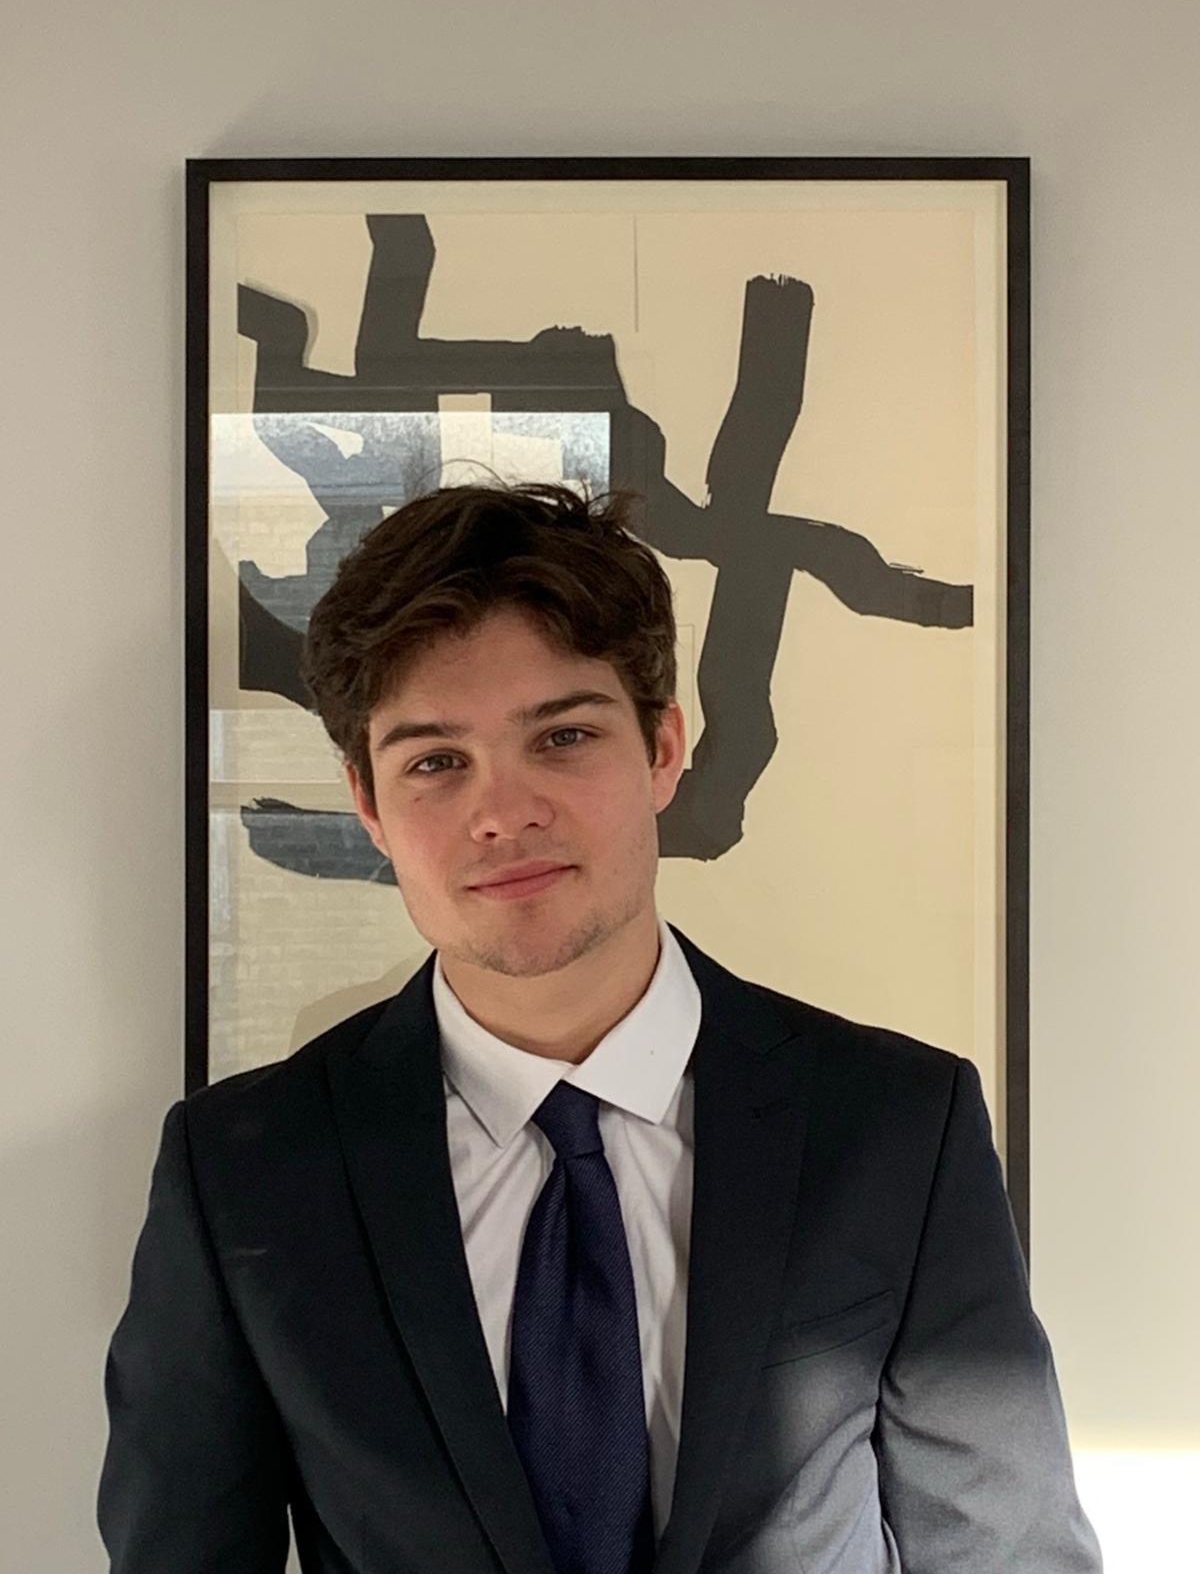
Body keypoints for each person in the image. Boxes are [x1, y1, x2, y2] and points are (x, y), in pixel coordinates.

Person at [99, 482, 1102, 1573]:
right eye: (435, 761)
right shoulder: (241, 1173)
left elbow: (1010, 1552)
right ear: (369, 804)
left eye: (564, 735)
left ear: (664, 748)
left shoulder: (898, 1124)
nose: (503, 811)